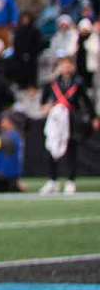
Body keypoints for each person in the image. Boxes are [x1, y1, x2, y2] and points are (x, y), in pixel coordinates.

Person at [39, 54, 97, 195]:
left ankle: (71, 181)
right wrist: (46, 107)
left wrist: (94, 117)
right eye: (63, 64)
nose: (65, 68)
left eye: (68, 65)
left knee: (71, 150)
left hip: (71, 120)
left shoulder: (77, 83)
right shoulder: (52, 83)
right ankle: (52, 180)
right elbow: (43, 102)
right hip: (55, 122)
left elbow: (86, 102)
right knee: (52, 149)